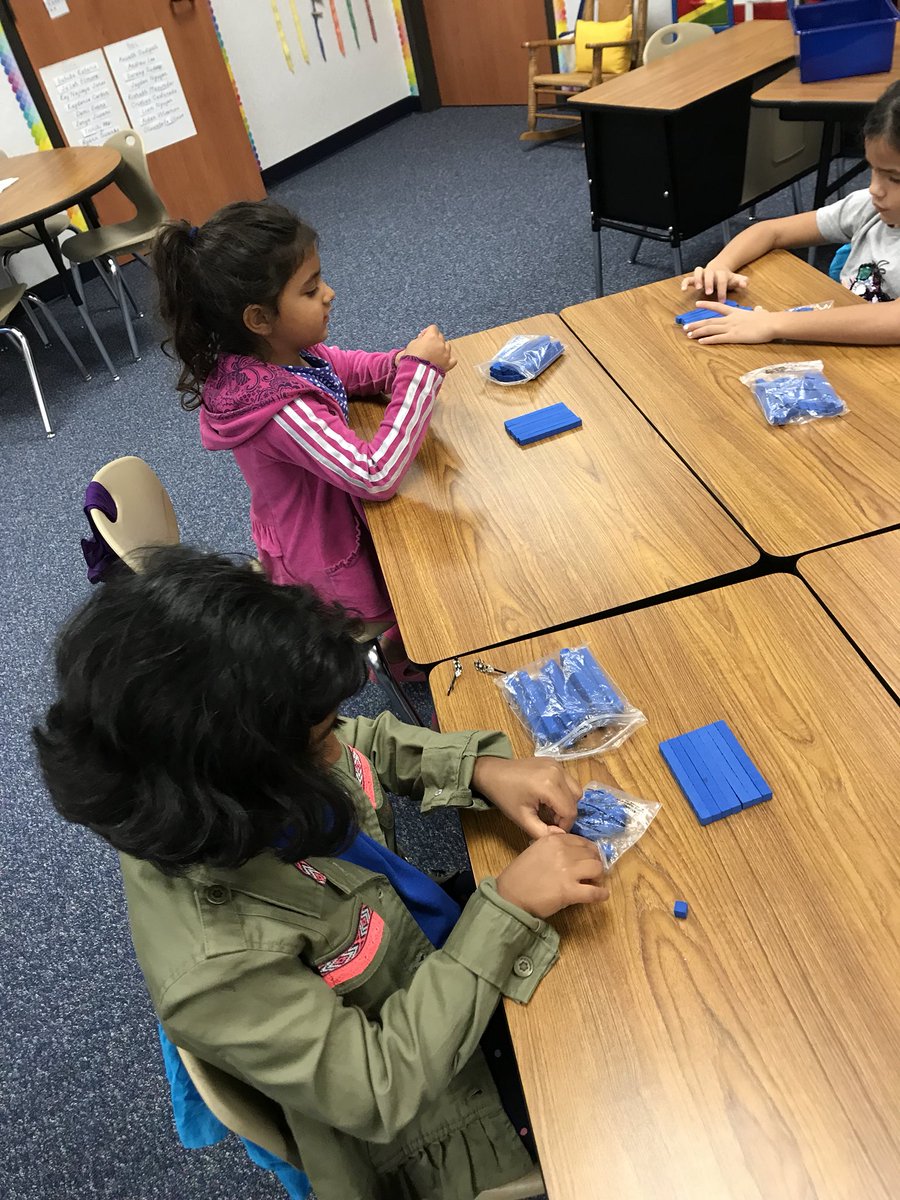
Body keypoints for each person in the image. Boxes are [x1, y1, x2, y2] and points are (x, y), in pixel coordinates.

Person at [33, 546, 610, 1200]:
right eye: (317, 743)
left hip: (422, 954)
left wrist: (478, 768)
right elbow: (379, 1086)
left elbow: (355, 743)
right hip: (440, 1109)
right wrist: (508, 907)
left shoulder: (210, 771)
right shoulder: (217, 967)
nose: (338, 747)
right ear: (247, 782)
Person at [153, 200, 456, 680]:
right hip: (329, 570)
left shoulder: (280, 354)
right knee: (442, 558)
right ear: (259, 318)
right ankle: (409, 650)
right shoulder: (283, 410)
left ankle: (403, 647)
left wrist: (396, 365)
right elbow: (375, 475)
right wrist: (418, 377)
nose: (329, 294)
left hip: (319, 525)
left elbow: (339, 368)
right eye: (311, 290)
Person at [680, 79, 900, 346]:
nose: (875, 189)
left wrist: (773, 323)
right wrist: (721, 265)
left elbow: (894, 320)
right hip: (848, 345)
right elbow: (771, 231)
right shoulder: (866, 207)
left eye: (895, 178)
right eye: (873, 169)